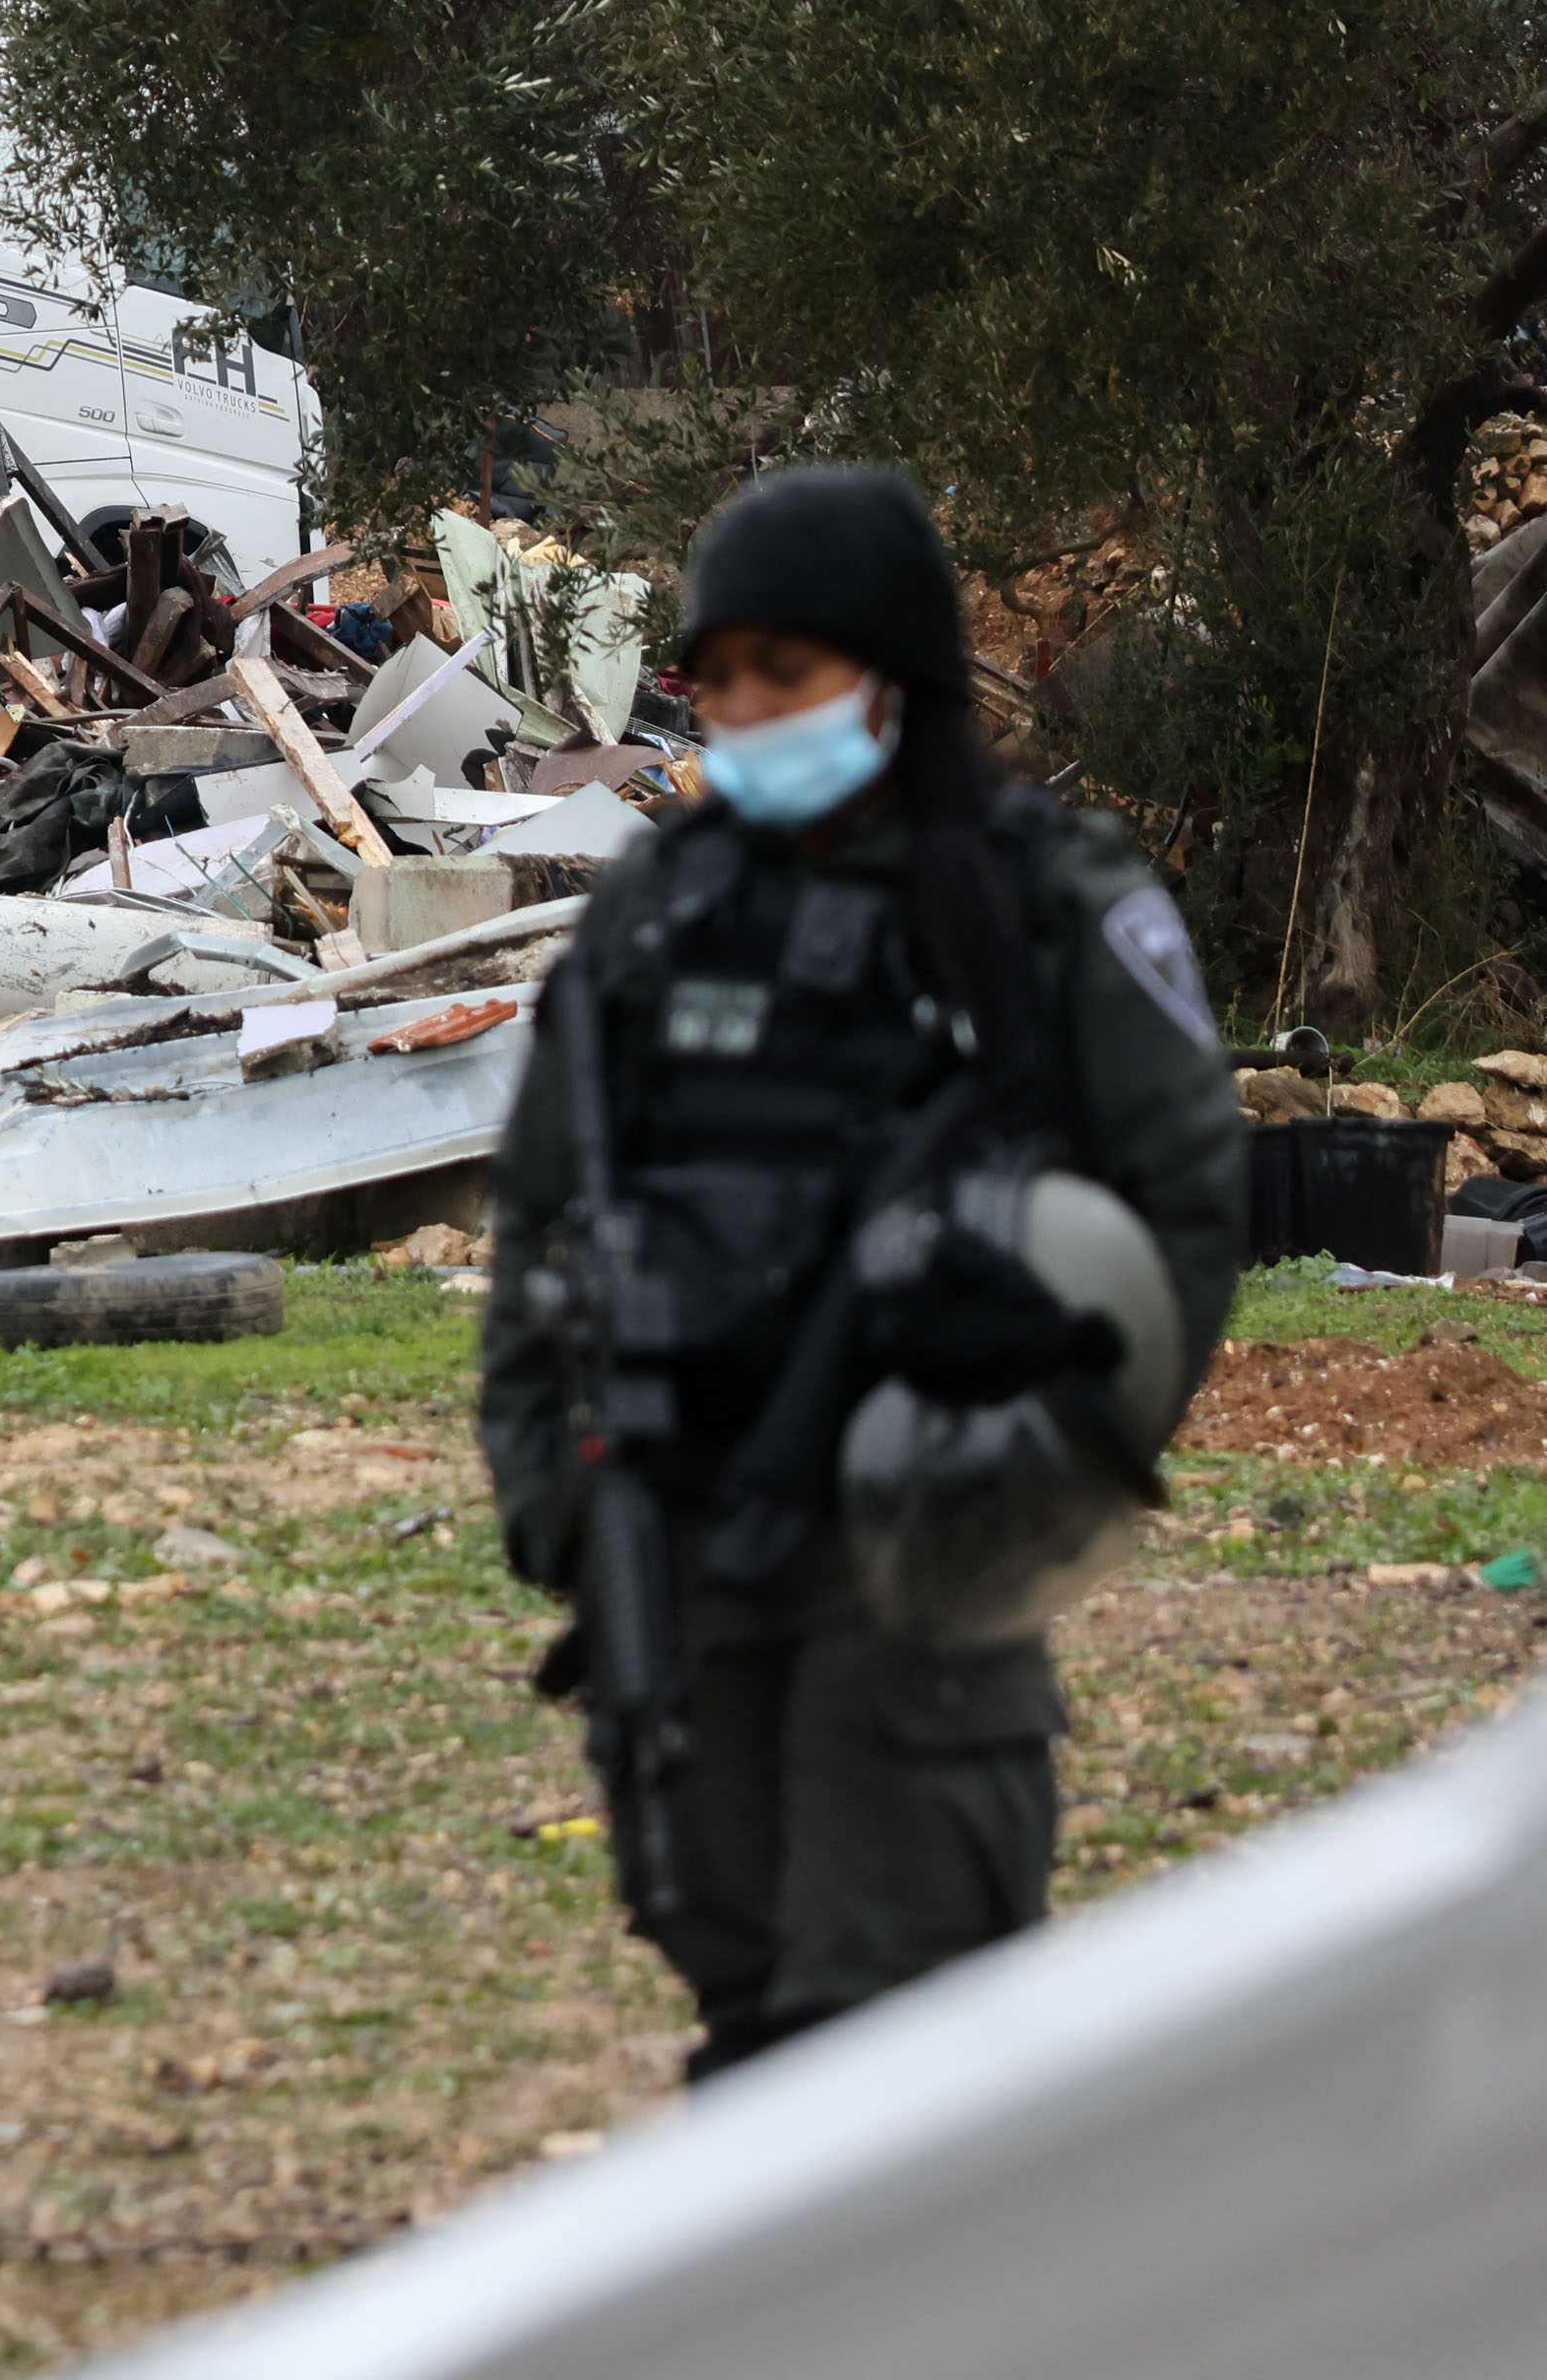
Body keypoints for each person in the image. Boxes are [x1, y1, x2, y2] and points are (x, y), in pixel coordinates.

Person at [479, 464, 1244, 2077]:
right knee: (744, 2000)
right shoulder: (657, 922)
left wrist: (1053, 1440)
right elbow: (543, 1221)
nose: (750, 710)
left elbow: (1183, 1201)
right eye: (723, 677)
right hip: (680, 1551)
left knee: (890, 2041)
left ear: (892, 678)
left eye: (791, 672)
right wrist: (554, 1495)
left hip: (917, 1548)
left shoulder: (1037, 900)